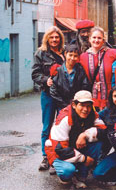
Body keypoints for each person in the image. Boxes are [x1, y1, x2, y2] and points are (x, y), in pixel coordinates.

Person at [45, 90, 105, 188]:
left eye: (88, 106)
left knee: (98, 143)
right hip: (57, 151)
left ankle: (81, 176)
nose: (85, 109)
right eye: (82, 105)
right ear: (74, 105)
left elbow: (102, 130)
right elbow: (60, 149)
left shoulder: (92, 114)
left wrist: (84, 135)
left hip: (75, 148)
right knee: (67, 170)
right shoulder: (65, 119)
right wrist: (83, 158)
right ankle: (66, 177)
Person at [32, 26, 65, 171]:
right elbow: (35, 73)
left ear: (60, 39)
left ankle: (59, 156)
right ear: (47, 38)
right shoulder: (41, 53)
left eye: (57, 37)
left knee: (62, 126)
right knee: (47, 126)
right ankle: (46, 157)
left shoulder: (65, 52)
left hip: (64, 94)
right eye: (51, 37)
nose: (54, 40)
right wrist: (46, 80)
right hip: (48, 94)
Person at [79, 27, 116, 110]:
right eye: (94, 37)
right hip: (92, 96)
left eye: (99, 38)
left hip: (110, 95)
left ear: (103, 40)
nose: (96, 40)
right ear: (90, 39)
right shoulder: (83, 56)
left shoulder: (113, 53)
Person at [50, 44, 91, 111]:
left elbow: (85, 86)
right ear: (65, 54)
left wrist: (77, 102)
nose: (72, 58)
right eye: (70, 55)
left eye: (75, 56)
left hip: (77, 105)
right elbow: (53, 91)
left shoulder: (81, 71)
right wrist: (64, 105)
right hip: (62, 106)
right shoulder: (57, 70)